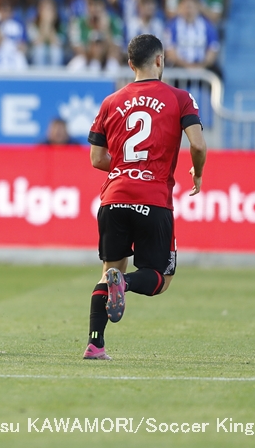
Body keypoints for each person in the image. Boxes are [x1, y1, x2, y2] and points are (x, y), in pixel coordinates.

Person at [84, 33, 207, 360]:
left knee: (108, 271)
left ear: (129, 64)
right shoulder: (180, 97)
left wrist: (125, 168)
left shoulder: (111, 101)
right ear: (159, 60)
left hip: (114, 196)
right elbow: (197, 144)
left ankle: (95, 344)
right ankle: (122, 282)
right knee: (159, 278)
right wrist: (198, 171)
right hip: (153, 198)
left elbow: (96, 158)